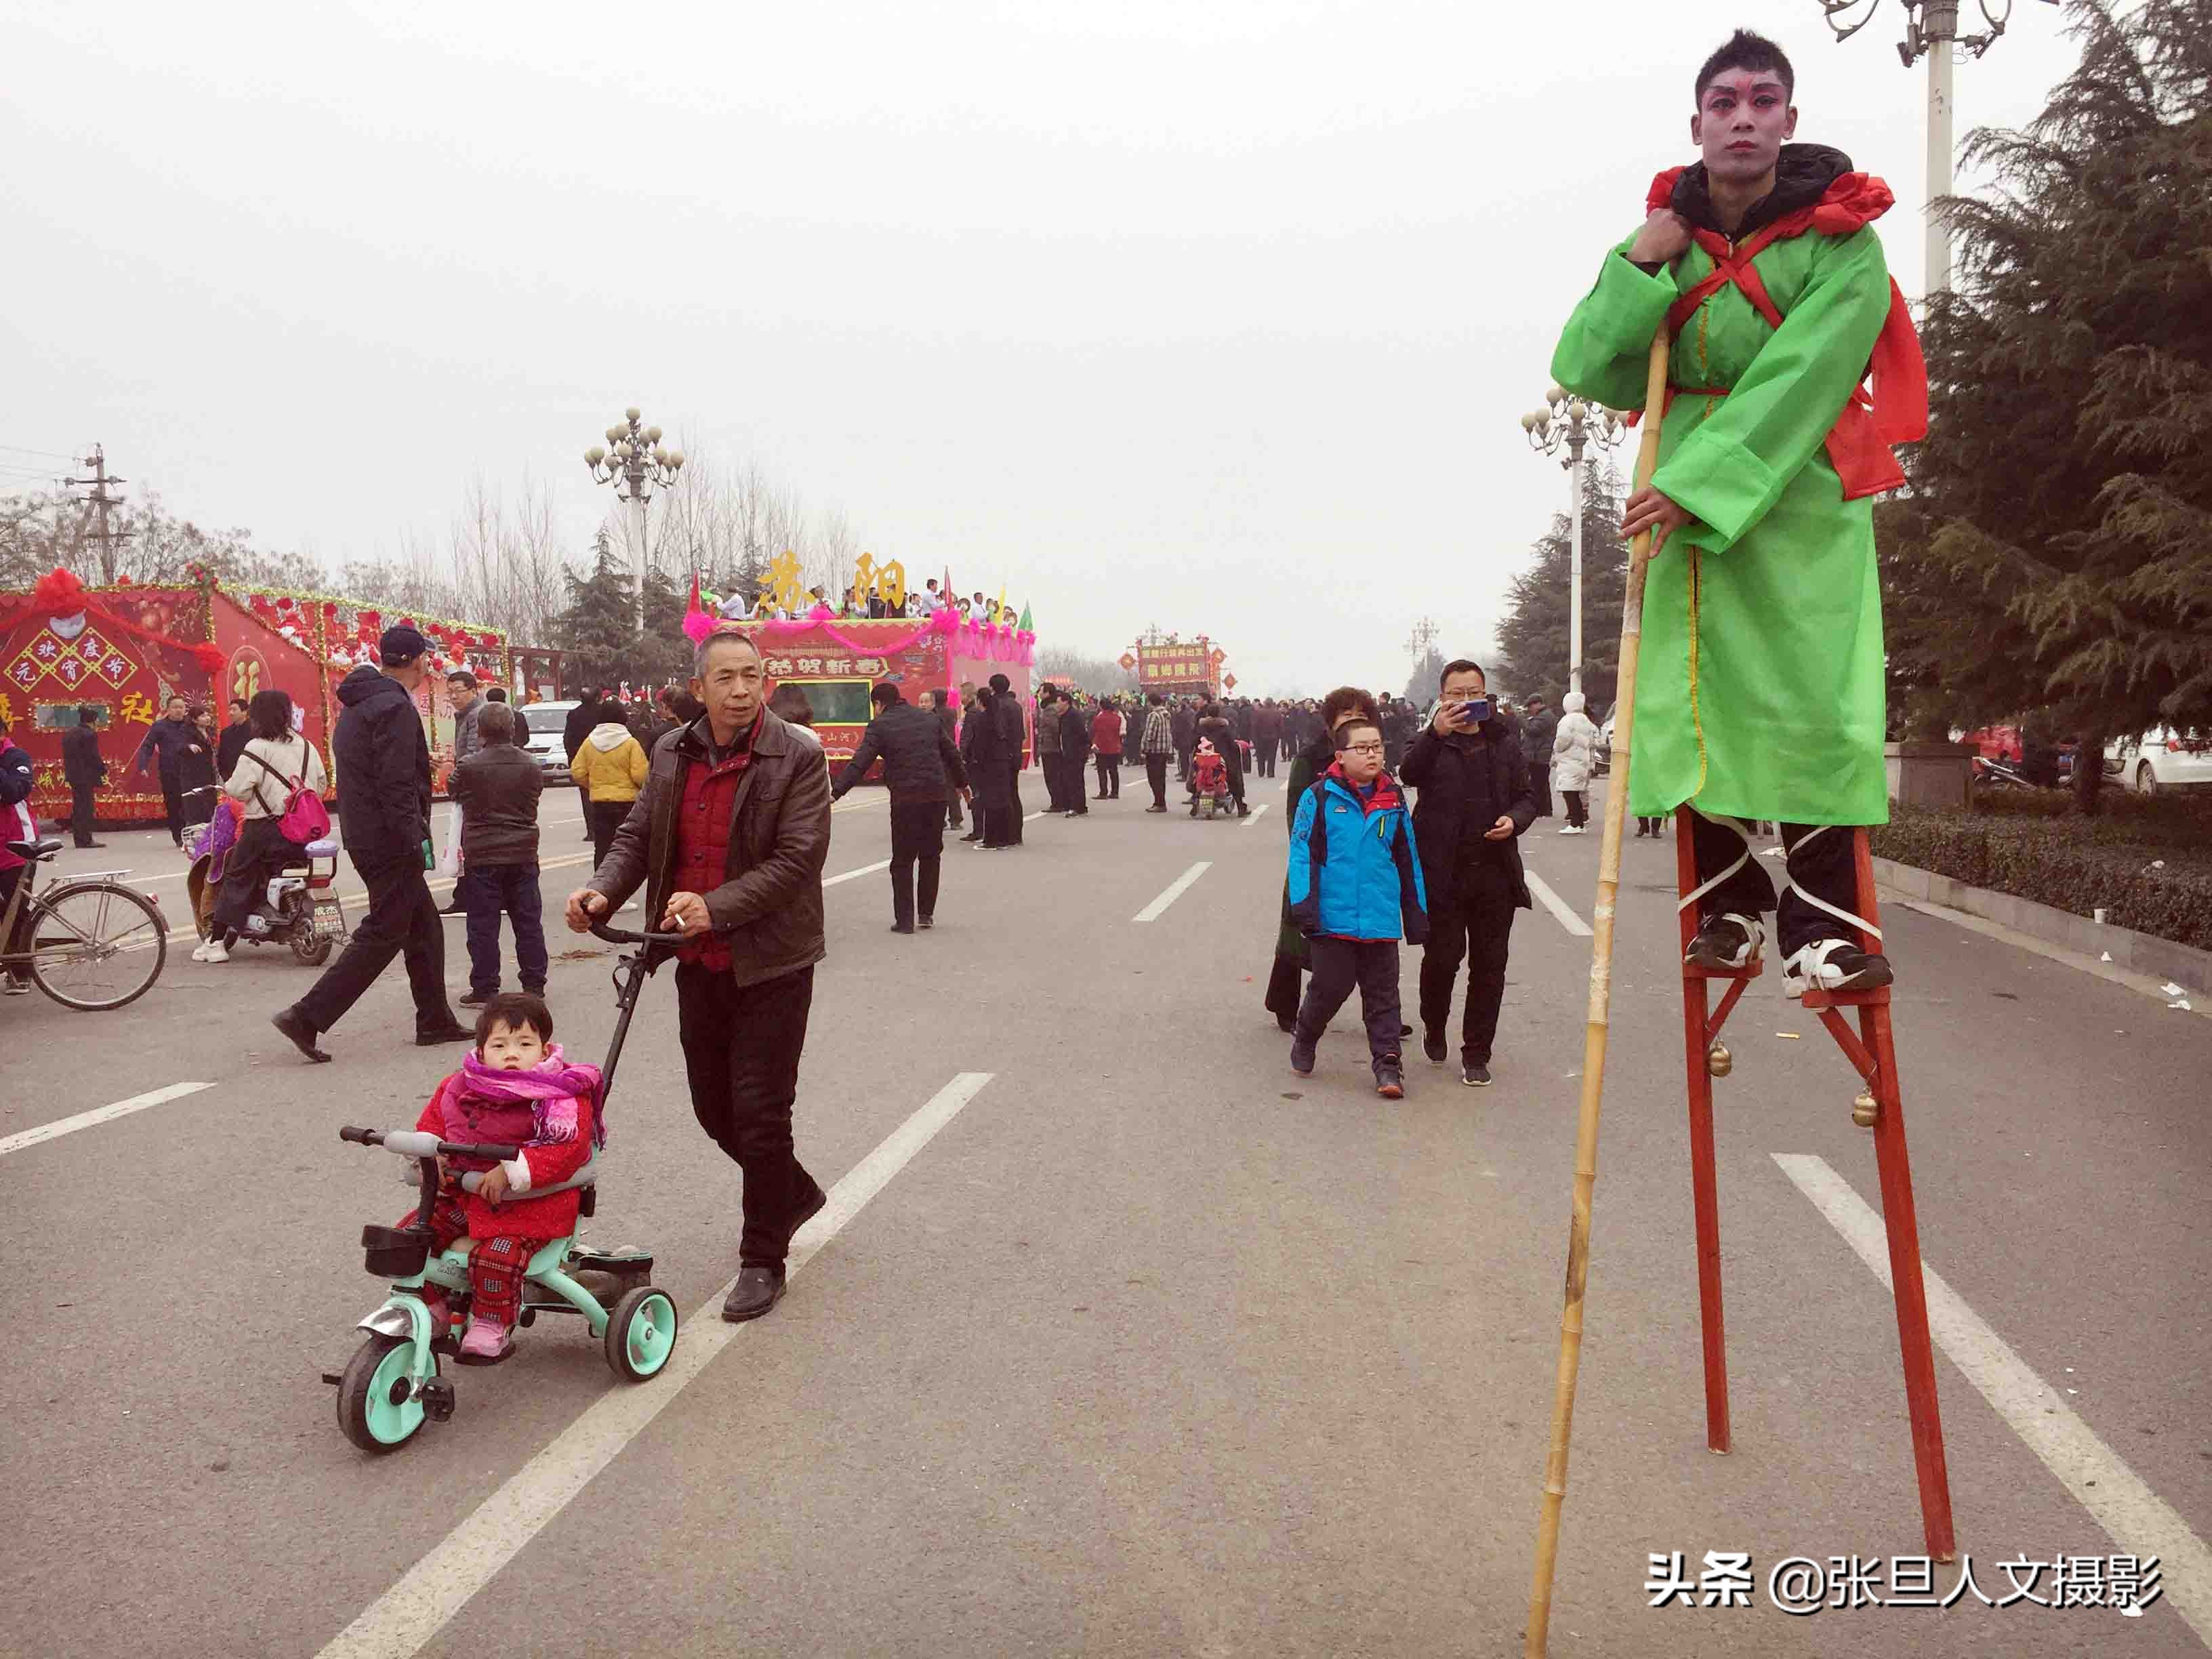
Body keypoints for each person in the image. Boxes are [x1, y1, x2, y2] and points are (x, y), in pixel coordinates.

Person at [1551, 26, 1915, 998]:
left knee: (1813, 704)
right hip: (1681, 507)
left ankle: (1825, 930)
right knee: (1690, 696)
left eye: (1762, 101)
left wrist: (1697, 478)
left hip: (1796, 499)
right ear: (1700, 123)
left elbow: (1807, 377)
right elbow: (1587, 364)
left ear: (1789, 121)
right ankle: (1726, 906)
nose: (1744, 118)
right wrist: (1639, 263)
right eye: (1725, 103)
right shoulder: (1665, 238)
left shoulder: (1846, 243)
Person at [567, 627, 831, 1322]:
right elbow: (638, 837)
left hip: (773, 960)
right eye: (727, 678)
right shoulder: (671, 751)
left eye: (752, 676)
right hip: (696, 959)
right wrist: (602, 892)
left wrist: (713, 907)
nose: (742, 690)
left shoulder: (797, 757)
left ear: (765, 682)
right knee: (714, 1110)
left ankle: (761, 1258)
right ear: (700, 687)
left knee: (761, 1110)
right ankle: (791, 1193)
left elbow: (797, 860)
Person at [271, 624, 470, 1063]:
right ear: (417, 659)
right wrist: (414, 837)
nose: (427, 667)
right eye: (426, 659)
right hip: (389, 838)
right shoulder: (393, 708)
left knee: (424, 927)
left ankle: (434, 1019)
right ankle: (307, 1016)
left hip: (366, 832)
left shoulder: (360, 706)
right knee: (383, 931)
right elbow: (395, 783)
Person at [394, 993, 602, 1364]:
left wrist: (511, 1170)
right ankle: (434, 1307)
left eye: (524, 1044)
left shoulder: (561, 1095)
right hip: (466, 1197)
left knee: (496, 1256)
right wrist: (433, 1156)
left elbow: (566, 1150)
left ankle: (493, 1323)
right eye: (499, 1045)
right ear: (481, 1049)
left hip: (533, 1209)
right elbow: (432, 1127)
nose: (511, 1054)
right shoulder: (458, 1086)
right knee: (407, 1239)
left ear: (544, 1050)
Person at [1401, 659, 1540, 1088]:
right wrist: (1436, 733)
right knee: (1442, 960)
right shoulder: (1430, 742)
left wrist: (1514, 821)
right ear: (1442, 698)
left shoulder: (1505, 742)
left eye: (1473, 692)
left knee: (1490, 967)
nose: (1465, 701)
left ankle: (1477, 1052)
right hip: (1442, 873)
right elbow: (1408, 774)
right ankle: (1434, 1022)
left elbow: (1528, 797)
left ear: (1486, 695)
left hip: (1494, 873)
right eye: (1456, 693)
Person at [1286, 716, 1428, 1099]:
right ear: (1340, 755)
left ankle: (1388, 1065)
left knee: (1384, 997)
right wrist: (1304, 907)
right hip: (1333, 919)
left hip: (1380, 918)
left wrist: (1416, 914)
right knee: (1330, 988)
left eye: (1377, 747)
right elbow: (1301, 854)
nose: (1372, 755)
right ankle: (1307, 1032)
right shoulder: (1318, 797)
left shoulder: (1394, 799)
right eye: (1362, 748)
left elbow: (1407, 856)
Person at [1263, 686, 1380, 1031]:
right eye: (1346, 715)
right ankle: (1284, 1005)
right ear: (1331, 722)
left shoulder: (1370, 759)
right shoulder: (1310, 759)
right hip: (1315, 859)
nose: (1353, 721)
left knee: (1365, 939)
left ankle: (1379, 1013)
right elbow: (1296, 818)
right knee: (1295, 934)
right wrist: (1310, 859)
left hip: (1357, 863)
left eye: (1360, 715)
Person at [832, 682, 968, 932]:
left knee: (903, 859)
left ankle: (905, 921)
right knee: (930, 855)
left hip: (906, 798)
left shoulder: (880, 725)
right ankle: (926, 914)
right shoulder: (929, 719)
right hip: (936, 795)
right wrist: (962, 784)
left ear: (878, 704)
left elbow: (860, 763)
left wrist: (836, 792)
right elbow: (952, 753)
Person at [205, 689, 328, 962]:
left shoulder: (256, 747)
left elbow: (237, 790)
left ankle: (215, 942)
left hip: (264, 828)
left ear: (257, 716)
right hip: (303, 832)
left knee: (237, 875)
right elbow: (321, 785)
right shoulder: (306, 745)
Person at [449, 701, 548, 1005]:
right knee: (528, 921)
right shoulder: (531, 765)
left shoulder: (469, 766)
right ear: (513, 729)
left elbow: (454, 791)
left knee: (483, 924)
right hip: (523, 852)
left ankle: (485, 985)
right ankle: (534, 984)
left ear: (480, 731)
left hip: (483, 854)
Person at [571, 697, 651, 887]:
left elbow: (578, 771)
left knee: (602, 847)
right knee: (624, 849)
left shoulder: (590, 743)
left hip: (599, 802)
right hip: (626, 803)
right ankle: (619, 892)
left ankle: (599, 889)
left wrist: (596, 786)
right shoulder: (630, 743)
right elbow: (641, 774)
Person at [132, 694, 209, 846]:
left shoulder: (191, 725)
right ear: (168, 709)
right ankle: (178, 836)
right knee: (174, 804)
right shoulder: (159, 726)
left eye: (181, 707)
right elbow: (148, 746)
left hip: (191, 771)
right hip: (169, 771)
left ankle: (195, 835)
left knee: (192, 803)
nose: (179, 711)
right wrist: (143, 765)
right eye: (175, 707)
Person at [0, 714, 36, 994]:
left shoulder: (16, 757)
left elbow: (14, 793)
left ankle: (21, 970)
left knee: (16, 911)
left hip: (15, 846)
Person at [963, 684, 1014, 847]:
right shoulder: (999, 717)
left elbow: (979, 745)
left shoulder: (982, 719)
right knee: (1003, 800)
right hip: (1003, 763)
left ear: (979, 701)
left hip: (988, 766)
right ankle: (1006, 838)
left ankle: (992, 840)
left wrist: (973, 760)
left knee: (990, 802)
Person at [1552, 692, 1597, 834]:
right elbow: (1594, 739)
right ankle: (1580, 823)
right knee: (1576, 793)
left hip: (1569, 761)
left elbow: (1562, 740)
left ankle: (1575, 823)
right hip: (1582, 760)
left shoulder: (1567, 721)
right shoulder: (1585, 720)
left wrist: (1556, 749)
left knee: (1569, 793)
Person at [62, 705, 106, 849]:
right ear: (93, 721)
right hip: (86, 777)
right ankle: (86, 840)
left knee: (78, 807)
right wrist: (103, 769)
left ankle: (79, 838)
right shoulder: (89, 734)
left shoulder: (70, 733)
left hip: (73, 776)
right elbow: (93, 756)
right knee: (86, 808)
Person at [989, 674, 1025, 844]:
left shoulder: (997, 705)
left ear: (993, 688)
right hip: (1016, 754)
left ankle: (1006, 835)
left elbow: (999, 732)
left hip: (1002, 756)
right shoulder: (1016, 706)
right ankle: (1016, 834)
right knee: (1013, 793)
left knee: (1002, 796)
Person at [1195, 701, 1247, 816]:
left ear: (1208, 713)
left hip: (1204, 759)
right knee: (1233, 779)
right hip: (1221, 760)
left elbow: (1195, 741)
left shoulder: (1201, 726)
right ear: (1219, 713)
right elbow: (1232, 744)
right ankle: (1240, 807)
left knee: (1198, 776)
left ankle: (1195, 802)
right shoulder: (1224, 727)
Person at [931, 688, 966, 833]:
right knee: (951, 787)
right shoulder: (951, 712)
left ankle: (940, 820)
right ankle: (956, 820)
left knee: (937, 788)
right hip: (950, 751)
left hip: (936, 752)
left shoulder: (932, 715)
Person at [1519, 695, 1557, 823]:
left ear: (1538, 704)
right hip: (1540, 754)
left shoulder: (1544, 717)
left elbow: (1532, 731)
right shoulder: (1544, 715)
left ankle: (1542, 809)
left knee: (1538, 783)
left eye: (1530, 706)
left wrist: (1522, 721)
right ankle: (1545, 809)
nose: (1529, 710)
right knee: (1541, 783)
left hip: (1539, 755)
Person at [1139, 693, 1174, 812]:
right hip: (1163, 751)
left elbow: (1150, 735)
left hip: (1154, 751)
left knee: (1154, 779)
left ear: (1151, 702)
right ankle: (1161, 802)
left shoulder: (1153, 715)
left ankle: (1159, 803)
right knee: (1161, 779)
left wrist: (1144, 749)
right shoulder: (1166, 715)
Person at [1058, 691, 1091, 817]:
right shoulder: (1065, 715)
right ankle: (1079, 806)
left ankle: (1076, 807)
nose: (1057, 704)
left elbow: (1082, 734)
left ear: (1066, 702)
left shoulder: (1073, 715)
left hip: (1075, 753)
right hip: (1068, 752)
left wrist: (1083, 749)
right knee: (1073, 780)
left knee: (1075, 781)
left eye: (1058, 701)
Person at [1090, 699, 1123, 800]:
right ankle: (1115, 792)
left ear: (1101, 707)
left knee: (1102, 771)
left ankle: (1103, 792)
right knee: (1113, 770)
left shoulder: (1098, 718)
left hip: (1101, 747)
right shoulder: (1117, 718)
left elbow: (1094, 731)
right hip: (1114, 747)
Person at [216, 697, 253, 781]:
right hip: (231, 778)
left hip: (250, 777)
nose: (231, 713)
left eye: (234, 710)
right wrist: (225, 775)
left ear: (245, 712)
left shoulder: (255, 731)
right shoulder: (226, 733)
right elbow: (222, 756)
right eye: (230, 710)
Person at [1250, 700, 1281, 779]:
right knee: (1272, 756)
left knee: (1261, 755)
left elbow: (1255, 725)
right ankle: (1270, 773)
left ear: (1265, 704)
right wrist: (1279, 735)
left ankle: (1261, 772)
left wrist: (1255, 736)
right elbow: (1280, 726)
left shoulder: (1259, 712)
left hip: (1260, 738)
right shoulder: (1277, 713)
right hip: (1273, 738)